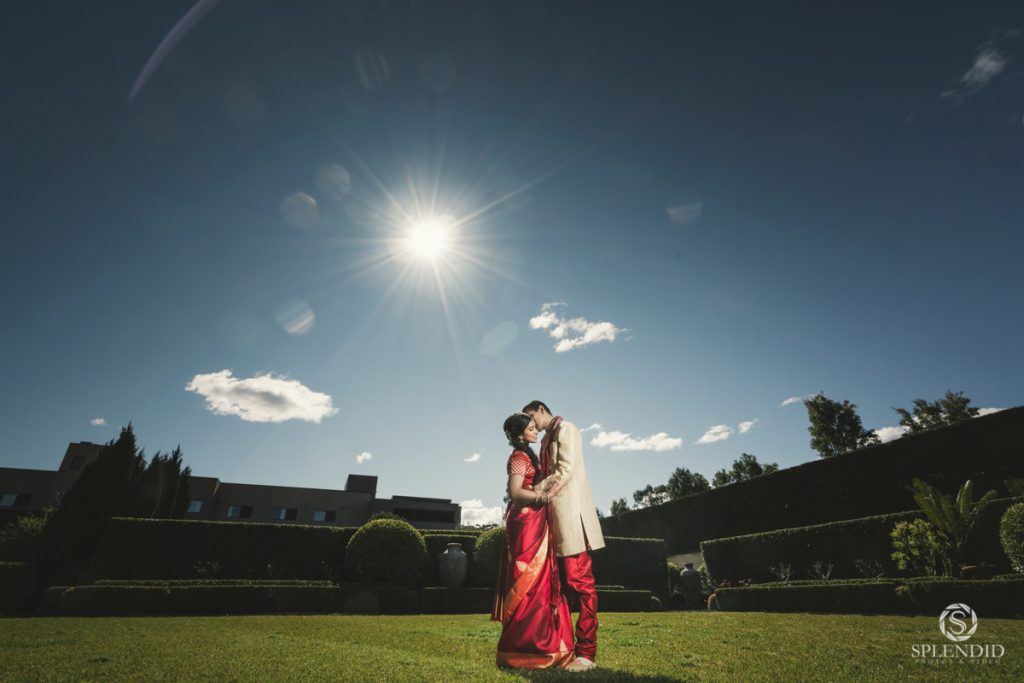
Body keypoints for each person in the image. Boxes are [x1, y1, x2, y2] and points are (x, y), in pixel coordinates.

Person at [523, 400, 605, 672]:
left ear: (541, 409)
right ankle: (564, 649)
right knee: (558, 589)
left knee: (580, 585)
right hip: (552, 523)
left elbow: (565, 471)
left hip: (571, 520)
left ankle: (587, 654)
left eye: (531, 416)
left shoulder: (567, 429)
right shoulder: (545, 440)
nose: (530, 424)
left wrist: (533, 493)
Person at [491, 412, 576, 670]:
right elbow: (515, 492)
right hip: (525, 523)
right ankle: (521, 649)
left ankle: (543, 644)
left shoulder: (529, 455)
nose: (535, 430)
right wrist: (542, 497)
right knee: (526, 580)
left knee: (540, 582)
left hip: (534, 520)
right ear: (519, 434)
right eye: (530, 428)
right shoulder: (518, 457)